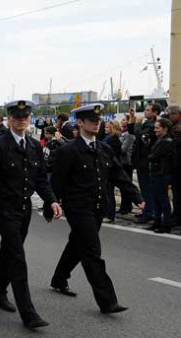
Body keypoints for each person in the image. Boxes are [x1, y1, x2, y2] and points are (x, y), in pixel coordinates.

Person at [50, 104, 144, 313]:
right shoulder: (69, 150)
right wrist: (51, 205)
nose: (96, 123)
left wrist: (137, 197)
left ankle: (59, 278)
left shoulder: (104, 148)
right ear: (80, 123)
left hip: (98, 208)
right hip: (78, 209)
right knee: (92, 252)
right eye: (92, 120)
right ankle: (107, 301)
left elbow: (119, 175)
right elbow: (57, 182)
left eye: (98, 120)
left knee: (77, 245)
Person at [0, 100, 62, 329]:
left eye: (25, 117)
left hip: (24, 207)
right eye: (17, 117)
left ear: (30, 119)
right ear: (9, 119)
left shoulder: (33, 145)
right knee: (17, 256)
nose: (21, 120)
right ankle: (28, 313)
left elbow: (39, 178)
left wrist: (52, 200)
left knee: (10, 250)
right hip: (4, 207)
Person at [133, 103, 161, 224]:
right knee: (144, 190)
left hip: (146, 162)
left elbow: (140, 135)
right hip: (140, 161)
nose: (145, 112)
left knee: (147, 190)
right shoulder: (146, 123)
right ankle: (147, 211)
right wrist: (132, 119)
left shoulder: (152, 125)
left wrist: (138, 123)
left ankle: (149, 213)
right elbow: (133, 132)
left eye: (148, 110)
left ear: (155, 113)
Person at [147, 118, 175, 233]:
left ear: (165, 129)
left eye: (158, 128)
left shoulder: (166, 142)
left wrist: (150, 154)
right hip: (157, 173)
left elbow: (153, 156)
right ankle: (157, 222)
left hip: (161, 174)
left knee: (163, 200)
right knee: (156, 199)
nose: (155, 130)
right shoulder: (161, 140)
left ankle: (166, 224)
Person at [118, 117, 137, 214]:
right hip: (121, 162)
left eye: (125, 120)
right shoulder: (121, 134)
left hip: (126, 163)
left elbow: (124, 149)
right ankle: (124, 206)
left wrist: (116, 145)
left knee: (126, 185)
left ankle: (126, 207)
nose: (122, 121)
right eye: (122, 120)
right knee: (122, 187)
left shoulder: (130, 136)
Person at [166, 105, 181, 226]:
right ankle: (176, 214)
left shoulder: (177, 128)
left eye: (170, 115)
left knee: (177, 193)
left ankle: (177, 216)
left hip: (178, 165)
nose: (169, 117)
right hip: (175, 165)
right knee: (176, 193)